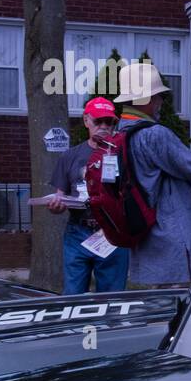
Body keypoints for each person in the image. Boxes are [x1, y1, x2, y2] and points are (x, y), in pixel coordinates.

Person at [114, 62, 191, 286]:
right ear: (146, 99)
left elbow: (163, 168)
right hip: (175, 235)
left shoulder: (122, 132)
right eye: (159, 97)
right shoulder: (156, 134)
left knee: (158, 303)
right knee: (179, 306)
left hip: (149, 231)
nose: (160, 103)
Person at [47, 96, 129, 293]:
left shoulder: (125, 154)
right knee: (73, 298)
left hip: (113, 233)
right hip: (77, 232)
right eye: (97, 121)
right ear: (86, 121)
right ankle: (74, 325)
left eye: (109, 122)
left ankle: (108, 325)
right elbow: (60, 196)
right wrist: (56, 206)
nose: (103, 126)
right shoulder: (70, 156)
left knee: (112, 299)